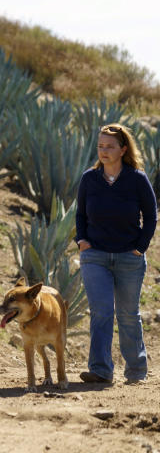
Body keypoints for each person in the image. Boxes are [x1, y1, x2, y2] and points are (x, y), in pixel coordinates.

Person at [75, 123, 157, 385]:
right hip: (95, 256)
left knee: (128, 315)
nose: (104, 151)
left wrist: (140, 247)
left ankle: (136, 371)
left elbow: (152, 216)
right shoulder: (89, 178)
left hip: (129, 258)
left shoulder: (137, 179)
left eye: (109, 146)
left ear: (123, 149)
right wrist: (82, 240)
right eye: (100, 146)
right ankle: (100, 370)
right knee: (101, 312)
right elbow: (80, 214)